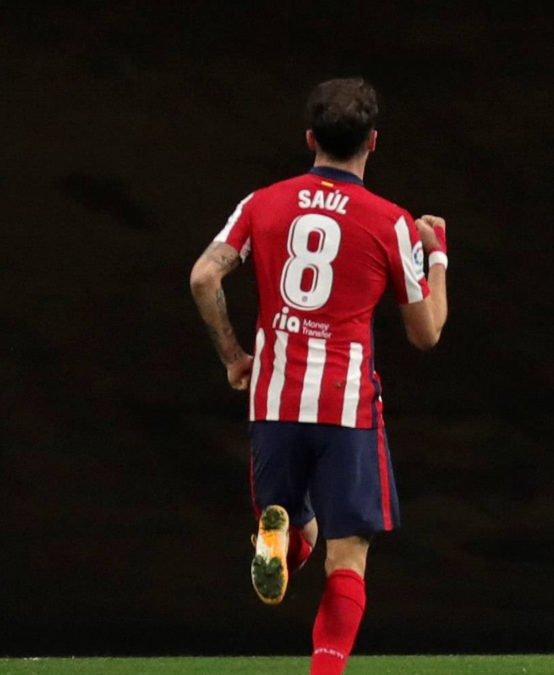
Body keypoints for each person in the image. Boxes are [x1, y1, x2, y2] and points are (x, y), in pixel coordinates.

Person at [188, 77, 449, 675]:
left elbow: (204, 276)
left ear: (310, 138)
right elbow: (427, 332)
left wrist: (233, 356)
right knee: (348, 560)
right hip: (345, 406)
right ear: (373, 141)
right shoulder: (390, 222)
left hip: (274, 400)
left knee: (294, 521)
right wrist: (435, 253)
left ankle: (282, 542)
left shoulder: (262, 203)